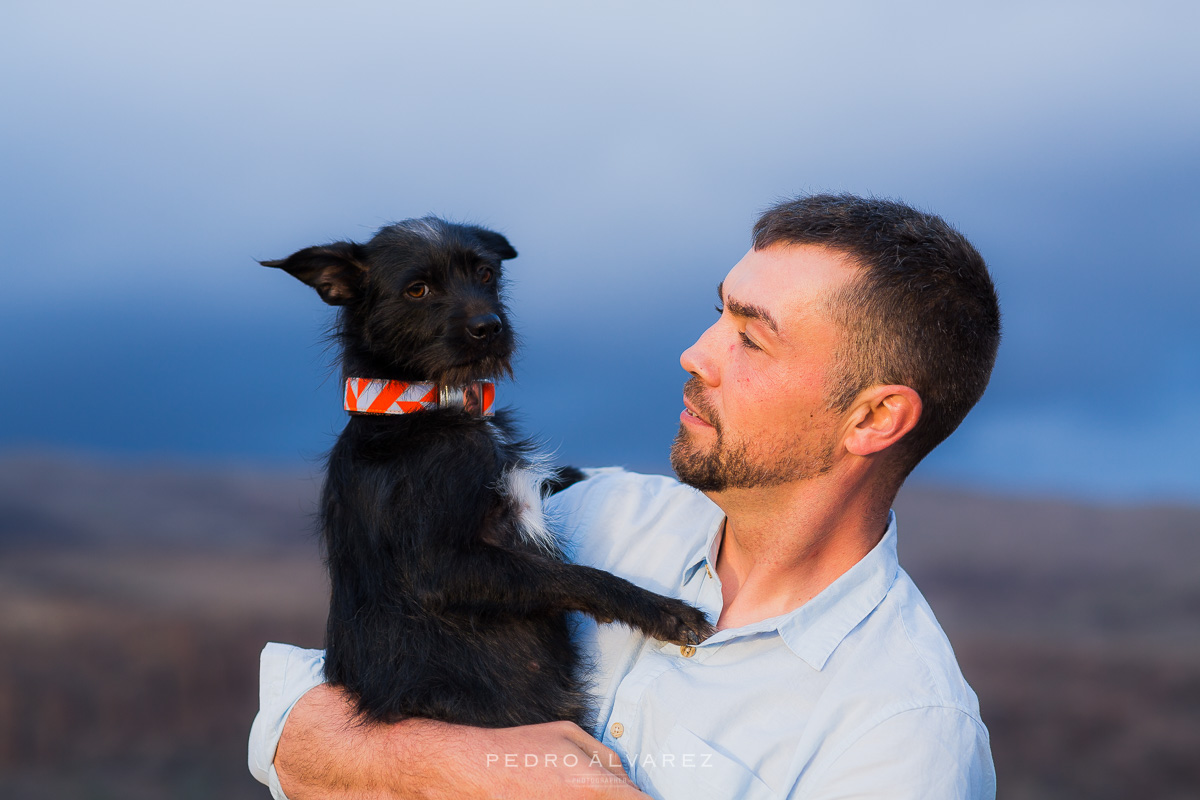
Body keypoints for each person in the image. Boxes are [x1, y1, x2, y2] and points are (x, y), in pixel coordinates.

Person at [248, 193, 1001, 799]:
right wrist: (463, 766)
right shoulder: (587, 512)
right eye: (719, 313)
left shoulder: (904, 735)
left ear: (873, 417)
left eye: (752, 337)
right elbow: (292, 728)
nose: (695, 353)